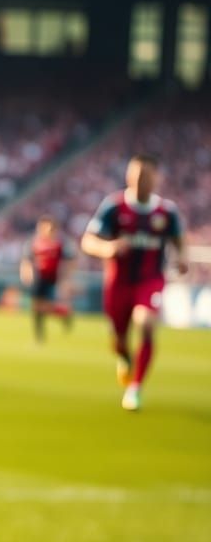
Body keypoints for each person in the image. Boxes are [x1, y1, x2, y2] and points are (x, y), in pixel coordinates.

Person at [81, 154, 187, 412]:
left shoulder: (167, 212)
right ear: (128, 176)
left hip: (150, 281)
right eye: (136, 174)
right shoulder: (114, 206)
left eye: (146, 175)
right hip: (118, 283)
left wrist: (181, 261)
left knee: (146, 322)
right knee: (118, 338)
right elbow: (88, 241)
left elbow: (178, 243)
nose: (140, 180)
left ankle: (135, 388)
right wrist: (108, 248)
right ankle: (124, 357)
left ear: (156, 178)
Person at [19, 214, 75, 342]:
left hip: (54, 279)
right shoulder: (34, 242)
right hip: (39, 278)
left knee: (46, 306)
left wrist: (66, 277)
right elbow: (27, 260)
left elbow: (70, 260)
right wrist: (26, 273)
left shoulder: (60, 244)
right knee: (36, 306)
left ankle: (63, 314)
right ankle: (39, 336)